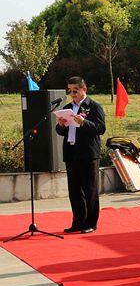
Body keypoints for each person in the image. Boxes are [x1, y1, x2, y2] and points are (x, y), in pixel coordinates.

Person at [55, 76, 106, 234]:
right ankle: (78, 222)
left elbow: (100, 128)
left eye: (75, 91)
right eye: (70, 91)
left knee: (89, 189)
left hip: (88, 153)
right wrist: (60, 125)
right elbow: (61, 132)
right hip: (71, 153)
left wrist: (84, 122)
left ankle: (91, 223)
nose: (72, 94)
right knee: (74, 190)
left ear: (84, 89)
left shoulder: (94, 106)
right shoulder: (68, 107)